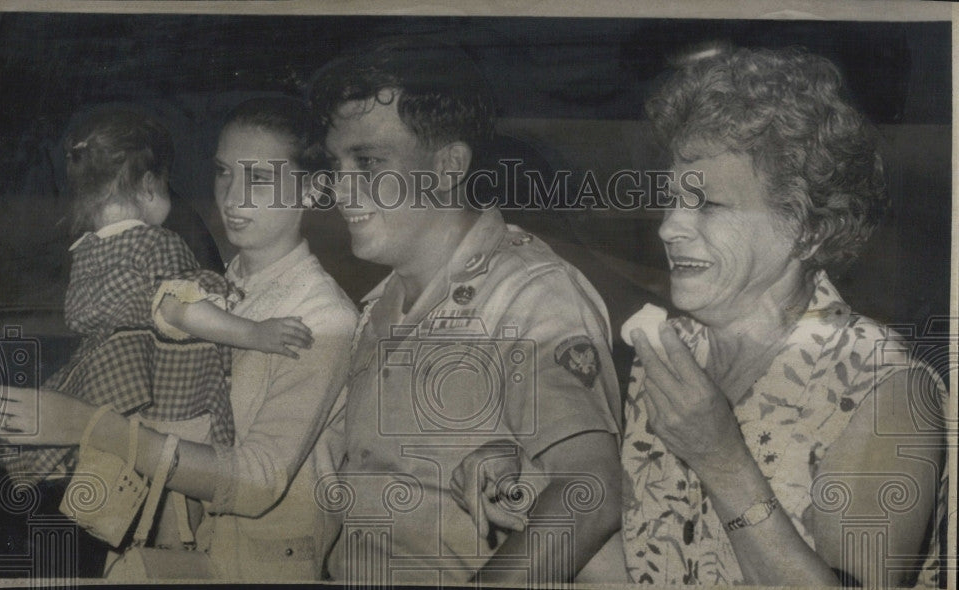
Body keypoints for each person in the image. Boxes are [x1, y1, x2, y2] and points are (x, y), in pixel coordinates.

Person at [0, 97, 359, 581]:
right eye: (224, 172)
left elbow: (259, 481)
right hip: (172, 549)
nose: (232, 197)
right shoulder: (210, 282)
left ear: (312, 192)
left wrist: (89, 427)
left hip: (258, 569)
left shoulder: (322, 314)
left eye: (260, 178)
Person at [614, 47, 946, 586]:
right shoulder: (672, 350)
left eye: (709, 205)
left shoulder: (884, 387)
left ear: (807, 228)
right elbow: (642, 560)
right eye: (673, 199)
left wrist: (722, 461)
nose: (668, 228)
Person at [309, 37, 622, 585]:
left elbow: (590, 495)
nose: (341, 188)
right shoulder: (378, 307)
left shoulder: (529, 296)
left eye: (368, 162)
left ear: (449, 164)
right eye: (337, 164)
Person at [2, 107, 311, 491]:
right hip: (161, 387)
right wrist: (256, 334)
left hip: (102, 378)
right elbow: (179, 309)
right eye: (167, 187)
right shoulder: (156, 243)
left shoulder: (86, 251)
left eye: (258, 177)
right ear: (149, 187)